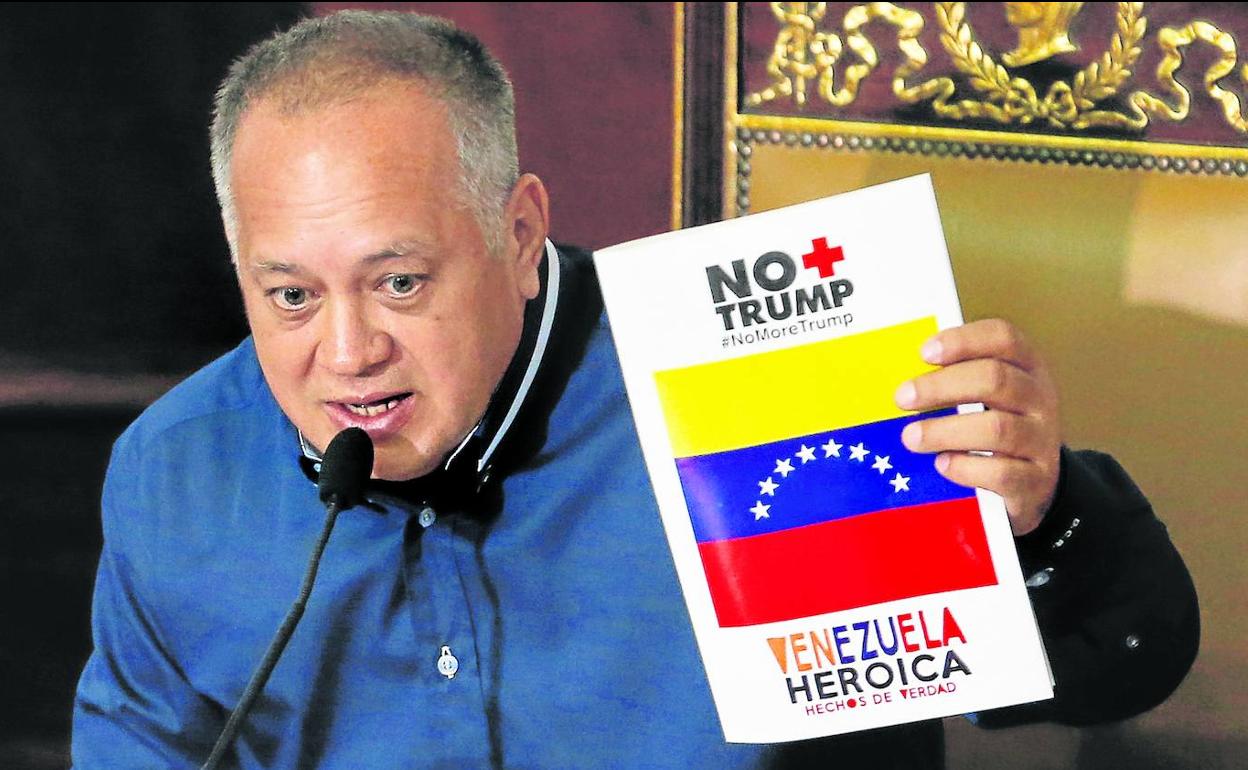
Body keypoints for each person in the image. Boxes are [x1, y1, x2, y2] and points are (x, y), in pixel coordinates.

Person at [71, 10, 1198, 768]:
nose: (348, 352)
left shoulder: (761, 390)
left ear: (519, 234)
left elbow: (1119, 667)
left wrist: (1043, 514)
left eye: (400, 281)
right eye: (290, 296)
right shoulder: (177, 472)